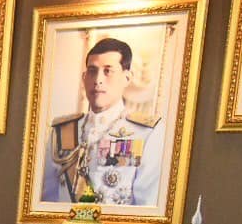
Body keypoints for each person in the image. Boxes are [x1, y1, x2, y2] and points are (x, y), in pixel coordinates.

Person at [40, 36, 165, 208]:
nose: (98, 80)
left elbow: (147, 205)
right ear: (84, 78)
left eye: (108, 71)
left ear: (127, 78)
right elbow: (47, 200)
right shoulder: (62, 131)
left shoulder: (146, 132)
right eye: (92, 71)